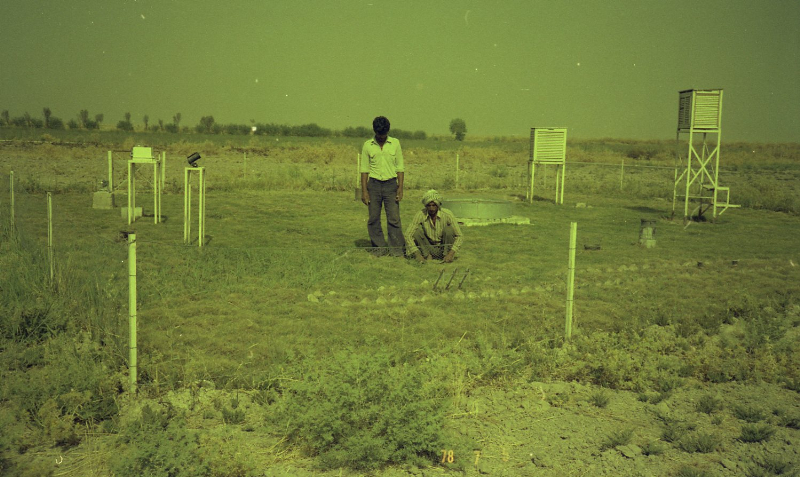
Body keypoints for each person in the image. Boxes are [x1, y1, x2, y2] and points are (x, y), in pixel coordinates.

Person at [360, 116, 405, 256]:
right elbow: (364, 170)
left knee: (394, 218)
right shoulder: (367, 145)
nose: (381, 137)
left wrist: (400, 188)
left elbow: (400, 168)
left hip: (391, 184)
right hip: (373, 185)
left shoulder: (395, 143)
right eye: (379, 134)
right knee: (373, 218)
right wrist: (364, 192)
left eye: (383, 134)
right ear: (375, 131)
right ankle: (379, 248)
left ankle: (396, 250)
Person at [405, 190, 463, 263]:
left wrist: (451, 253)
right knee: (415, 232)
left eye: (434, 205)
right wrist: (417, 254)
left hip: (443, 246)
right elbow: (408, 235)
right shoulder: (420, 214)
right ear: (426, 206)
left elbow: (460, 236)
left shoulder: (447, 214)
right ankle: (427, 256)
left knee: (449, 230)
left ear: (438, 205)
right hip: (428, 246)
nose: (431, 208)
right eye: (429, 206)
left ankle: (446, 256)